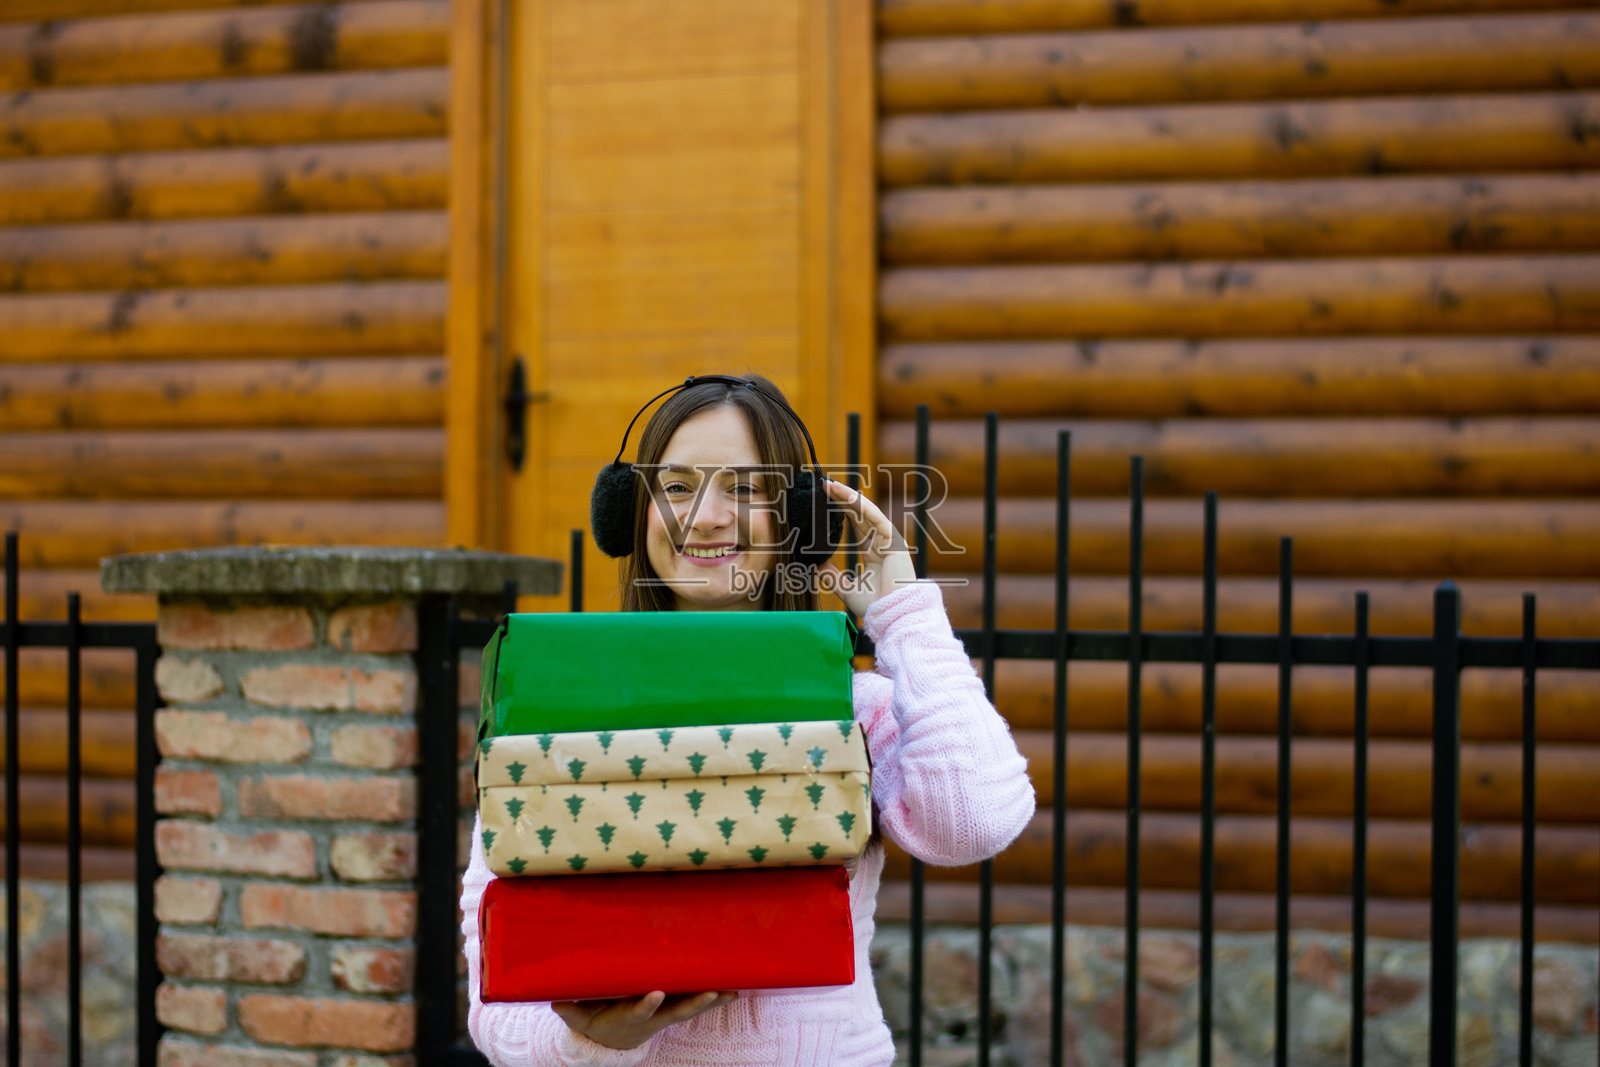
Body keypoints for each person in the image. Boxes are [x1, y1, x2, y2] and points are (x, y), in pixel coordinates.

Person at [460, 374, 1035, 1066]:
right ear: (631, 514)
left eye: (746, 488)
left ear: (797, 518)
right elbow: (496, 1004)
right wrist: (587, 1040)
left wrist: (904, 611)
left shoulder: (855, 707)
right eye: (675, 487)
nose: (705, 517)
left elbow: (972, 822)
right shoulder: (554, 711)